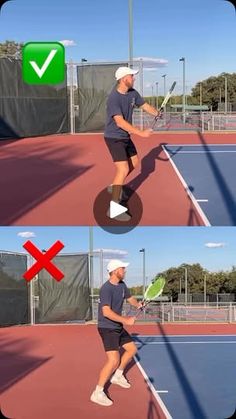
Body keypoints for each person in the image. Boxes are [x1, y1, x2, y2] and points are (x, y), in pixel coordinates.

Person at [104, 66, 161, 221]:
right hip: (114, 137)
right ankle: (113, 209)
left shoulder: (133, 93)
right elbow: (120, 122)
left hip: (125, 137)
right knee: (122, 169)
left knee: (134, 163)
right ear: (124, 79)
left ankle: (115, 186)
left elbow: (144, 105)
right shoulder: (114, 98)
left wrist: (156, 112)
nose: (134, 78)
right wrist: (141, 133)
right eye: (132, 76)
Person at [90, 259, 143, 407]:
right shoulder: (106, 289)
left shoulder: (122, 285)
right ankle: (97, 392)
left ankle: (118, 376)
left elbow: (130, 298)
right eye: (122, 268)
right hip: (107, 327)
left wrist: (138, 304)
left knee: (132, 349)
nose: (125, 271)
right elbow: (106, 312)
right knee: (113, 360)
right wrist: (126, 320)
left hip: (117, 326)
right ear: (115, 271)